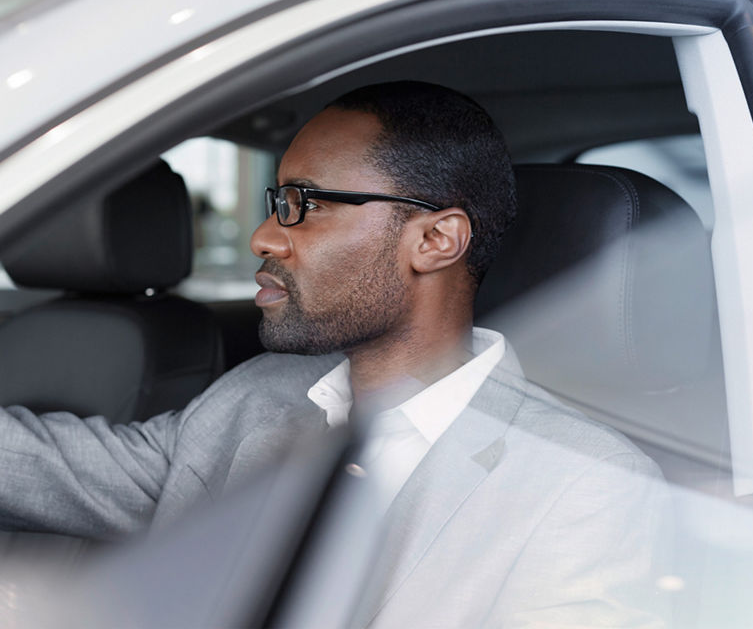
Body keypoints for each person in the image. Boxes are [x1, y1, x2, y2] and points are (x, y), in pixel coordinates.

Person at [0, 81, 665, 626]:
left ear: (436, 240)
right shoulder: (258, 393)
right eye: (275, 200)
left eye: (304, 205)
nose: (264, 236)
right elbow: (51, 469)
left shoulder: (586, 486)